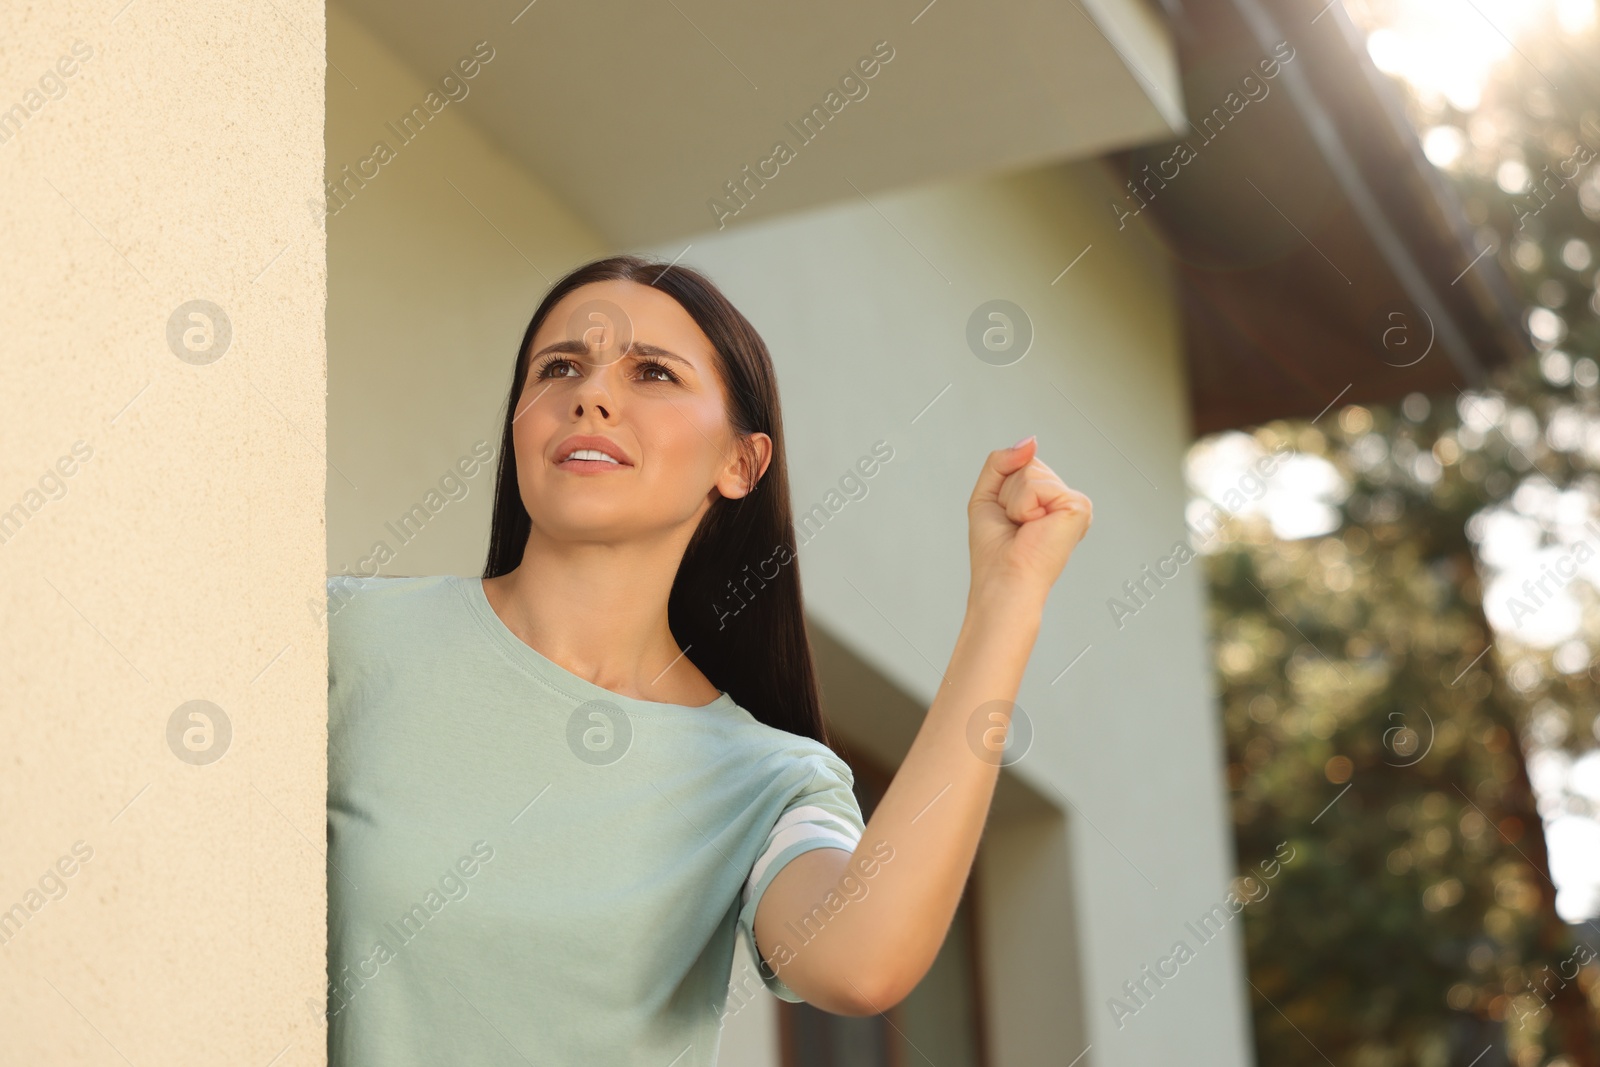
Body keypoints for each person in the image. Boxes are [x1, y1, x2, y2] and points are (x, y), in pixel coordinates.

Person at [324, 254, 1092, 1065]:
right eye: (559, 367)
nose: (590, 394)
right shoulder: (348, 638)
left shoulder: (769, 780)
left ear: (741, 463)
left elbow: (863, 964)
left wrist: (1007, 601)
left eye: (652, 371)